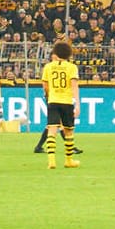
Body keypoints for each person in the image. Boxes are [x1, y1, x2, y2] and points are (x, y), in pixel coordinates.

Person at [40, 41, 80, 169]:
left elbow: (45, 85)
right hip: (66, 101)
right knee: (68, 131)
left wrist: (48, 96)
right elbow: (74, 86)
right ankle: (69, 160)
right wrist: (77, 104)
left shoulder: (48, 67)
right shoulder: (72, 67)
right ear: (69, 54)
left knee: (52, 129)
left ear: (56, 53)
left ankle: (51, 161)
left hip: (53, 100)